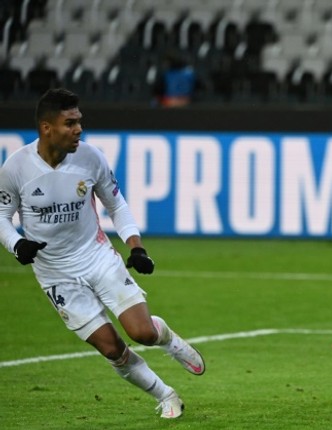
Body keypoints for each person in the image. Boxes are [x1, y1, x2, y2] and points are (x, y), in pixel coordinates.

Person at [0, 88, 205, 419]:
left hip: (96, 256)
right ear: (46, 127)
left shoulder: (91, 158)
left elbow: (116, 204)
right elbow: (1, 215)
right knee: (111, 348)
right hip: (55, 274)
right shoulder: (16, 168)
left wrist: (136, 247)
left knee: (142, 333)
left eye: (79, 121)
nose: (78, 129)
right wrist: (16, 243)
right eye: (70, 123)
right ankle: (166, 394)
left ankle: (168, 340)